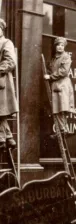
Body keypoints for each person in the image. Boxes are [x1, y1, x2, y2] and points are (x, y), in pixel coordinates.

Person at [44, 37, 75, 137]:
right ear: (55, 46)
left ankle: (63, 130)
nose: (60, 47)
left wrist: (50, 76)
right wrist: (47, 73)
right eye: (58, 45)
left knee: (62, 108)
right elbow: (51, 69)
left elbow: (63, 71)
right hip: (56, 85)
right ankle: (62, 130)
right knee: (57, 109)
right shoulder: (54, 59)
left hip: (62, 85)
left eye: (62, 45)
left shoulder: (66, 57)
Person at [0, 18, 18, 151]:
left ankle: (3, 139)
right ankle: (8, 138)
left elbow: (11, 62)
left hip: (2, 83)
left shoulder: (6, 43)